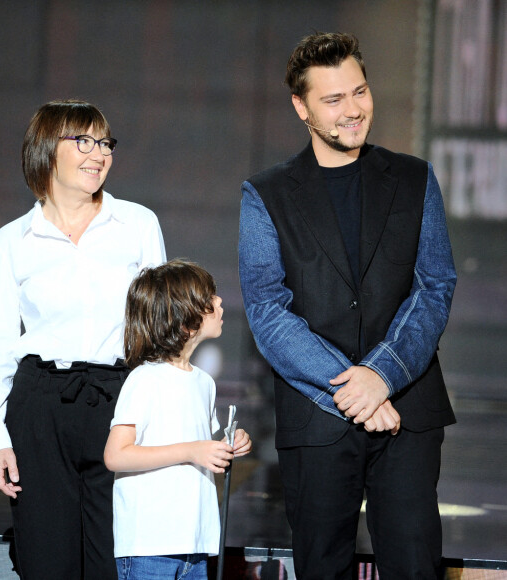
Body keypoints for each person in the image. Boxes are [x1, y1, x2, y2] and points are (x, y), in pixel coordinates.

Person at [238, 32, 456, 580]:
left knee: (414, 564)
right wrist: (351, 385)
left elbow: (434, 286)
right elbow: (267, 310)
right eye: (333, 100)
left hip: (407, 410)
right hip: (316, 415)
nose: (353, 110)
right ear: (301, 107)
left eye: (359, 92)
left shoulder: (413, 177)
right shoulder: (267, 194)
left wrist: (381, 376)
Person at [0, 99, 166, 579]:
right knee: (47, 563)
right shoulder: (11, 241)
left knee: (112, 561)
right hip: (41, 407)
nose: (98, 154)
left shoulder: (138, 225)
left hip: (116, 403)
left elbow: (159, 335)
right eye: (84, 141)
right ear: (46, 149)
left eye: (105, 143)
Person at [103, 259, 252, 580]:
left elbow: (199, 444)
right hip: (149, 545)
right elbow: (116, 455)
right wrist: (191, 451)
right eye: (209, 299)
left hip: (194, 542)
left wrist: (227, 444)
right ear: (185, 321)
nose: (220, 302)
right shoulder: (145, 380)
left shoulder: (203, 382)